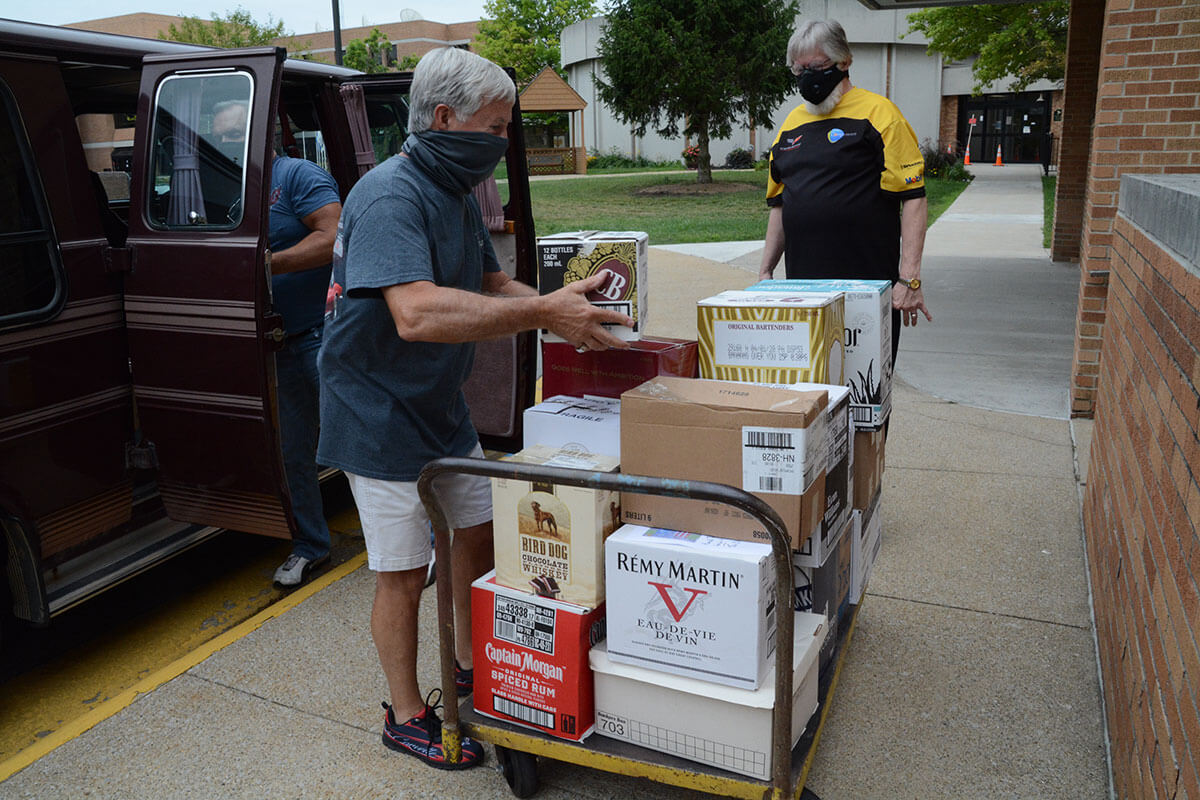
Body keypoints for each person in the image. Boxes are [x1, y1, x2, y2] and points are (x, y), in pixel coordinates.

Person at [316, 47, 631, 770]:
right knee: (401, 570)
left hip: (435, 400)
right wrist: (542, 313)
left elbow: (488, 280)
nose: (500, 143)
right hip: (377, 408)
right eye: (493, 129)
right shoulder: (393, 195)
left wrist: (564, 313)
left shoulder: (453, 191)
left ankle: (465, 664)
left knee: (481, 532)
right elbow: (418, 314)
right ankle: (404, 713)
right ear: (443, 118)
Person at [212, 100, 343, 587]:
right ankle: (312, 547)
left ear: (262, 135)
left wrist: (268, 265)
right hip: (274, 341)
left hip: (320, 335)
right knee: (293, 454)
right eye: (218, 136)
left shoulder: (297, 175)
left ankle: (412, 544)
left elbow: (334, 237)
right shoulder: (224, 187)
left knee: (354, 439)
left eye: (233, 135)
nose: (224, 144)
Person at [758, 19, 931, 365]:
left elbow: (914, 198)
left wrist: (909, 279)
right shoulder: (791, 125)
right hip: (803, 293)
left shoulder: (881, 115)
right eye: (799, 70)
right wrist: (765, 272)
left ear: (844, 61)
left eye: (817, 67)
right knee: (811, 394)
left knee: (867, 399)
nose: (808, 77)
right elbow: (780, 203)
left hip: (865, 292)